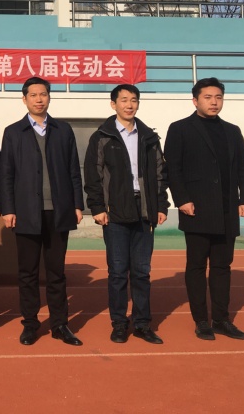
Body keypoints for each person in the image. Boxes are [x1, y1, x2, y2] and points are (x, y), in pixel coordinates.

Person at [164, 78, 244, 341]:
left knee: (222, 266)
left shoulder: (232, 131)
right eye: (208, 97)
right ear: (195, 100)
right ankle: (201, 321)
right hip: (196, 209)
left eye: (218, 97)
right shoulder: (180, 129)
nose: (214, 102)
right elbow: (173, 168)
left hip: (227, 210)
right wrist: (182, 199)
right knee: (195, 266)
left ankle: (221, 320)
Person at [0, 76, 84, 347]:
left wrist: (77, 204)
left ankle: (60, 324)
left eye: (43, 94)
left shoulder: (63, 130)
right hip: (26, 212)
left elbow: (73, 170)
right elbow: (6, 174)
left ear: (49, 97)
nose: (39, 99)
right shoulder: (13, 132)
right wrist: (8, 208)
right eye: (33, 95)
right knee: (28, 273)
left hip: (58, 212)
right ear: (24, 99)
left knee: (56, 272)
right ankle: (30, 324)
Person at [84, 84, 170, 344]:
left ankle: (143, 324)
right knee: (118, 272)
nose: (129, 105)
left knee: (142, 272)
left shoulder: (149, 137)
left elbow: (160, 174)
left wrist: (161, 205)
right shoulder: (102, 137)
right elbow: (93, 175)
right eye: (123, 100)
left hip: (144, 210)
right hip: (115, 212)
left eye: (134, 100)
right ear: (114, 104)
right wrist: (97, 208)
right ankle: (120, 323)